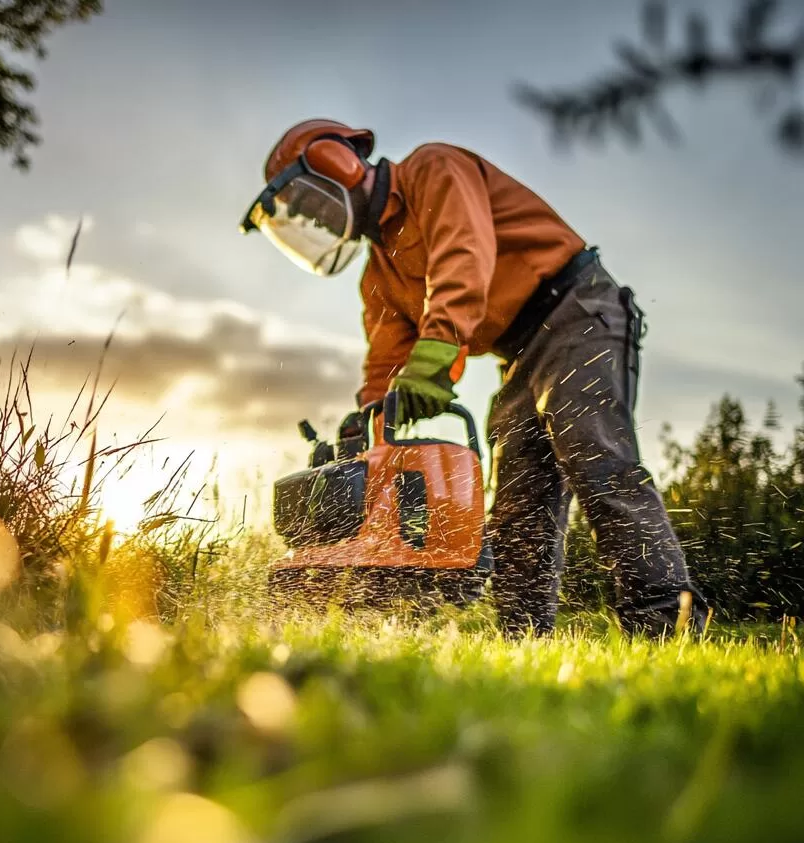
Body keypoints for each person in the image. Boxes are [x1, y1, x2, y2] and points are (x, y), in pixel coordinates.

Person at [239, 119, 705, 637]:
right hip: (520, 351)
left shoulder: (433, 169)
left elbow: (464, 259)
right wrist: (368, 426)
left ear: (335, 166)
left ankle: (668, 624)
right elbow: (387, 357)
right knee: (517, 503)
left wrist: (434, 361)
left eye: (308, 202)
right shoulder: (381, 271)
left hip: (577, 310)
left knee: (595, 458)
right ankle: (523, 637)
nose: (314, 220)